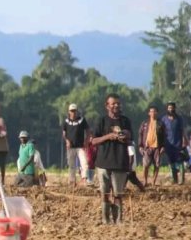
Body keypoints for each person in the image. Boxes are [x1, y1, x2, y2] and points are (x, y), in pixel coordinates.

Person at [91, 93, 132, 224]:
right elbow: (93, 141)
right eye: (113, 103)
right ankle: (105, 219)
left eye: (118, 103)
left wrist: (124, 135)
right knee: (104, 193)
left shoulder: (125, 121)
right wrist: (108, 136)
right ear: (107, 106)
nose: (116, 106)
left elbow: (130, 137)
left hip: (120, 162)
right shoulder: (101, 121)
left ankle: (118, 220)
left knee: (118, 194)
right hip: (103, 163)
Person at [62, 103, 90, 186]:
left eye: (74, 111)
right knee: (71, 165)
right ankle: (72, 181)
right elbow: (64, 133)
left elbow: (88, 130)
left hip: (80, 146)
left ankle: (84, 179)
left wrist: (87, 140)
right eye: (71, 111)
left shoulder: (81, 120)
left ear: (77, 111)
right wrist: (67, 141)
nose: (73, 112)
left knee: (84, 163)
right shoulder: (66, 121)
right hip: (71, 147)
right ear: (69, 112)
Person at [138, 105, 166, 187]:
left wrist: (163, 146)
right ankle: (145, 181)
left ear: (157, 113)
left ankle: (153, 182)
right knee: (146, 165)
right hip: (147, 147)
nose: (153, 113)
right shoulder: (145, 124)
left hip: (157, 147)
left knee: (157, 165)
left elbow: (164, 136)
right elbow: (140, 134)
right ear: (149, 113)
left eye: (154, 111)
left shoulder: (161, 124)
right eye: (151, 111)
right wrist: (140, 145)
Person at [160, 101, 187, 184]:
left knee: (180, 161)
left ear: (174, 109)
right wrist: (162, 144)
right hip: (168, 144)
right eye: (169, 108)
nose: (171, 110)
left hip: (178, 143)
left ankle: (182, 180)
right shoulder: (164, 119)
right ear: (167, 109)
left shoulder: (179, 119)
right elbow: (161, 132)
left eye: (172, 108)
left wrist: (184, 140)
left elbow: (182, 130)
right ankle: (174, 180)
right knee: (171, 162)